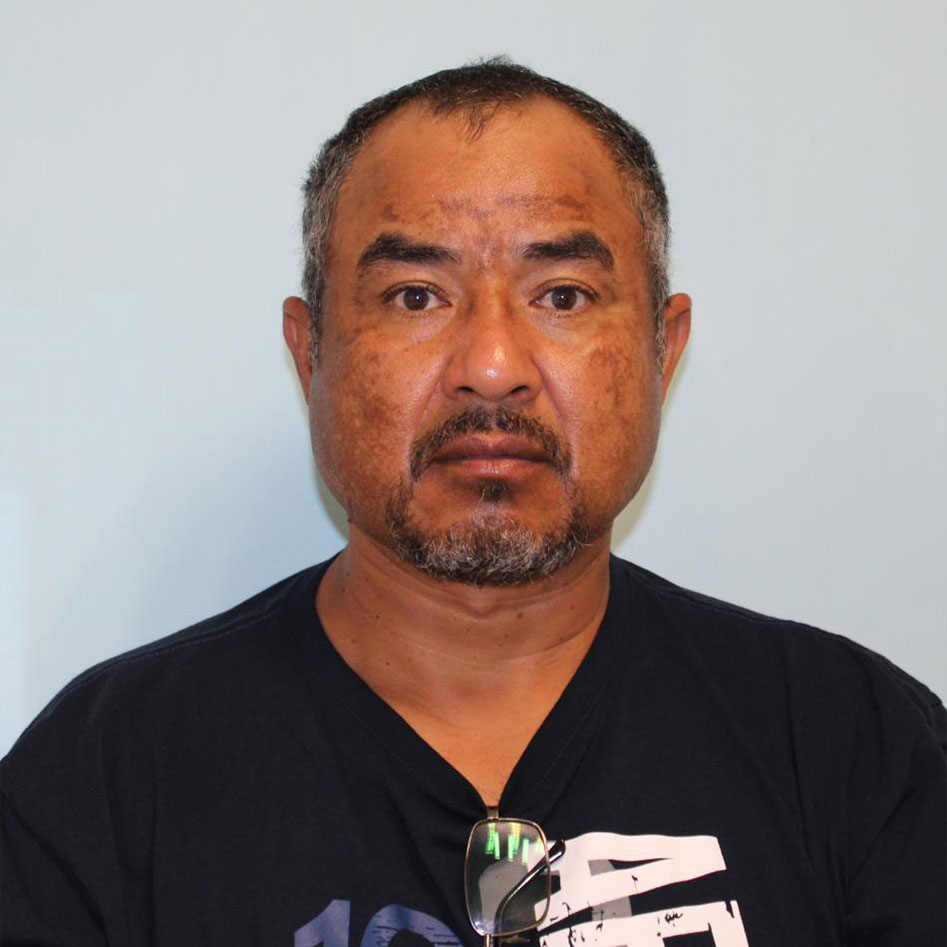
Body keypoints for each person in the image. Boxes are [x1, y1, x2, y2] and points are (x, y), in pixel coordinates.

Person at [2, 59, 944, 947]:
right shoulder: (104, 779)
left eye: (562, 295)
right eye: (416, 296)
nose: (492, 366)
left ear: (664, 351)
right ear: (309, 353)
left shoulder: (852, 745)